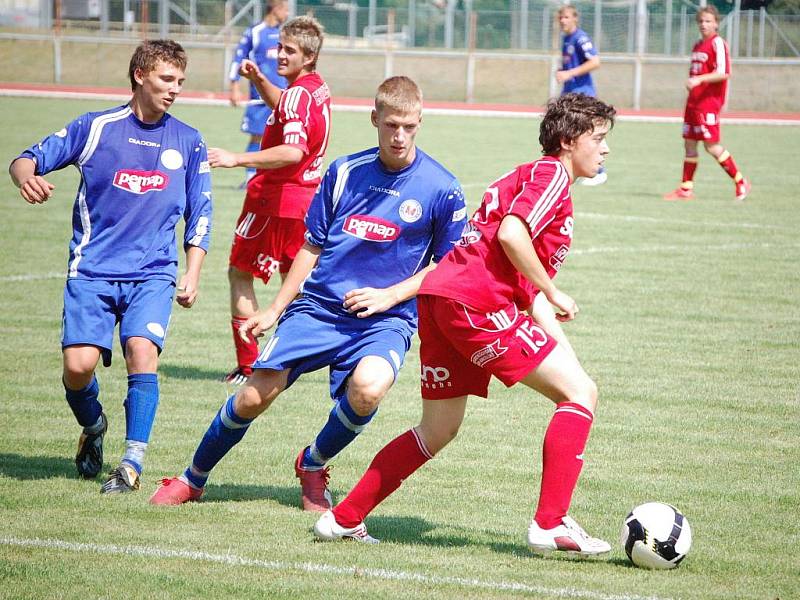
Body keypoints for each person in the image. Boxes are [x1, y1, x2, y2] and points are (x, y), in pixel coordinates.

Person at [313, 93, 616, 558]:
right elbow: (514, 234)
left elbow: (527, 292)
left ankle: (343, 518)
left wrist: (568, 354)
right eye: (598, 138)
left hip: (442, 301)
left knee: (438, 429)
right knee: (578, 396)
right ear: (570, 140)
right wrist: (555, 294)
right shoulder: (552, 173)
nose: (604, 149)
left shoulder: (531, 175)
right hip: (473, 303)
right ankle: (550, 525)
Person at [150, 76, 468, 511]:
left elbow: (446, 266)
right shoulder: (344, 173)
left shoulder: (442, 187)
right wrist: (276, 308)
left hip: (386, 318)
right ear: (375, 119)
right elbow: (312, 246)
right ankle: (193, 478)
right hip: (318, 308)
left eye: (409, 127)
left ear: (420, 122)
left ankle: (313, 463)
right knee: (252, 397)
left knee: (369, 389)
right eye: (392, 124)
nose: (400, 136)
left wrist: (390, 296)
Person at [8, 40, 213, 494]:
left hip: (153, 272)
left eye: (180, 81)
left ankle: (130, 464)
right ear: (140, 75)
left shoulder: (189, 140)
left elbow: (200, 212)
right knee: (78, 369)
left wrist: (192, 270)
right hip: (92, 270)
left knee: (142, 351)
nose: (175, 89)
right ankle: (95, 425)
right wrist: (28, 177)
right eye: (166, 79)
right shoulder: (96, 127)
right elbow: (25, 158)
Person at [214, 16, 331, 386]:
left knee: (240, 273)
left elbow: (293, 150)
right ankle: (291, 359)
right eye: (280, 47)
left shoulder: (298, 92)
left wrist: (238, 158)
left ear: (309, 56)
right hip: (305, 202)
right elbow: (288, 108)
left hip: (275, 201)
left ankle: (250, 365)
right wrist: (259, 80)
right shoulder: (313, 88)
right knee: (292, 280)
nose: (279, 55)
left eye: (289, 51)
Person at [664, 6, 750, 202]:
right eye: (701, 21)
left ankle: (740, 181)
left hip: (708, 104)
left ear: (716, 23)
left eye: (708, 21)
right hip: (693, 103)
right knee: (689, 144)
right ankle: (686, 189)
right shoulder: (697, 45)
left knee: (711, 146)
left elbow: (724, 72)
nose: (704, 24)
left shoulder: (718, 43)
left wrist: (700, 80)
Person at [228, 0, 289, 186]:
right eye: (285, 9)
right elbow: (238, 58)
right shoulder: (254, 32)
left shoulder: (284, 34)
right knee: (257, 136)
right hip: (259, 98)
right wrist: (234, 87)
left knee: (282, 138)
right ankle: (250, 178)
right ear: (276, 8)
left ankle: (273, 179)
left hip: (282, 95)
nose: (287, 14)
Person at [556, 5, 606, 187]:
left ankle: (599, 171)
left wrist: (570, 73)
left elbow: (595, 61)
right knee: (564, 131)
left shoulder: (581, 38)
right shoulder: (566, 39)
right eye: (561, 18)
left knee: (587, 132)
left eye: (567, 17)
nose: (563, 21)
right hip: (569, 94)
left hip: (583, 94)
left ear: (575, 19)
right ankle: (568, 168)